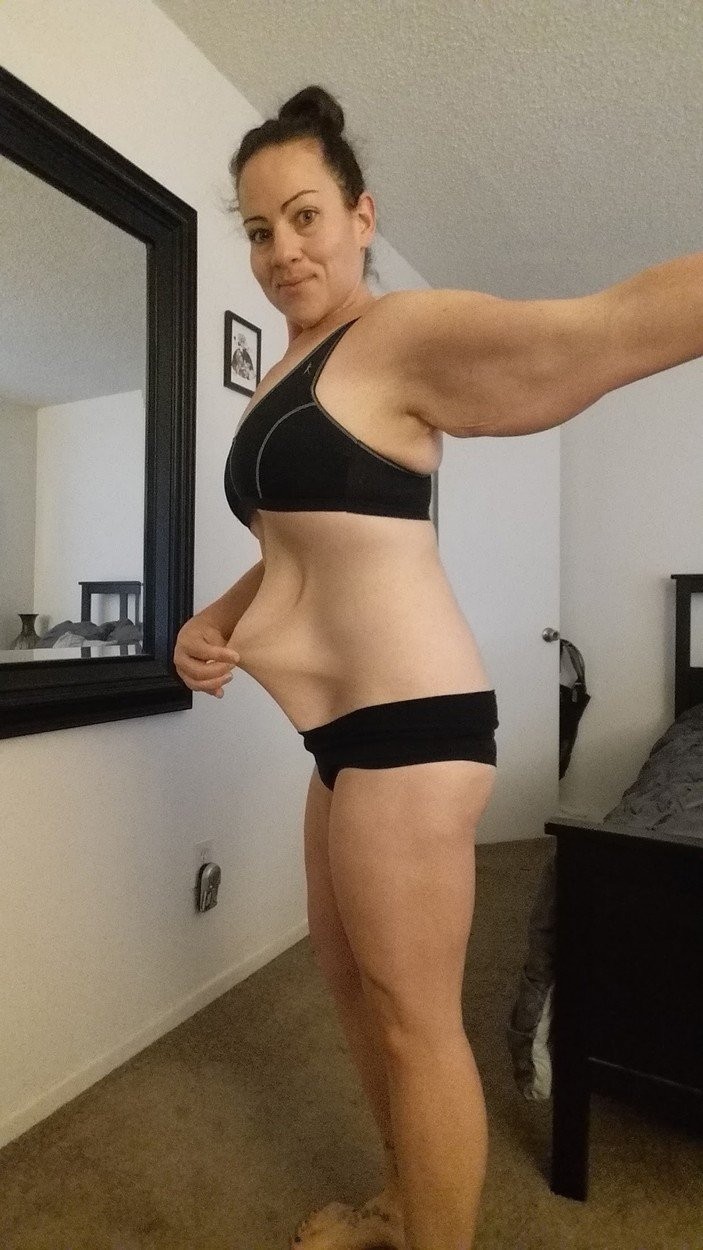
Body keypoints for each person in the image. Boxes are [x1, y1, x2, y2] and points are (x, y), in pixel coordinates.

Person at [173, 84, 702, 1250]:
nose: (281, 250)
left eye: (304, 216)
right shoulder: (286, 369)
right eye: (258, 229)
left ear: (361, 216)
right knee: (353, 988)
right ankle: (401, 1204)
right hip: (338, 736)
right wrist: (214, 614)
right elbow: (296, 545)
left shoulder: (395, 336)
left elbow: (601, 329)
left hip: (412, 726)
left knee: (417, 1022)